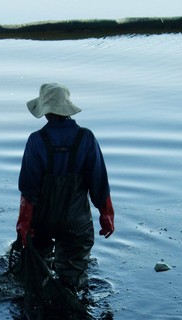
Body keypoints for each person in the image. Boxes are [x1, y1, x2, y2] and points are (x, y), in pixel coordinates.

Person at [16, 83, 114, 293]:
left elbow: (28, 190)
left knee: (36, 271)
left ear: (45, 111)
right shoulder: (86, 138)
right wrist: (106, 215)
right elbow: (99, 182)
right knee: (73, 280)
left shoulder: (36, 140)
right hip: (76, 221)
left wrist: (23, 225)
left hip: (42, 221)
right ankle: (72, 306)